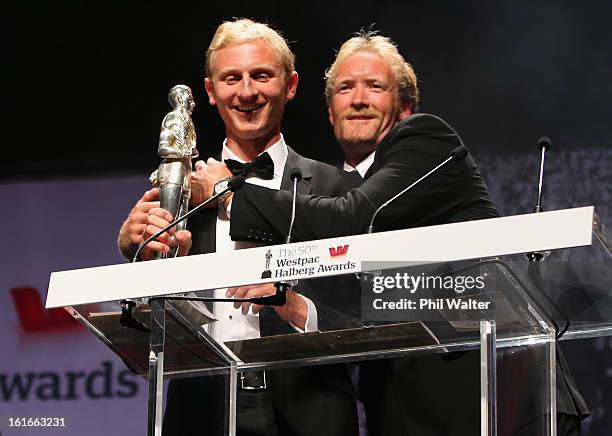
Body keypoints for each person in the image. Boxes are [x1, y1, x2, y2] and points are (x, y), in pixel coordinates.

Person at [192, 31, 588, 435]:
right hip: (401, 412)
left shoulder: (425, 141)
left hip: (496, 395)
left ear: (404, 107)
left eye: (375, 86)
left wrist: (232, 197)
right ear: (330, 112)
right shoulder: (333, 192)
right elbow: (351, 308)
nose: (358, 99)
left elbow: (356, 220)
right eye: (345, 88)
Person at [118, 19, 360, 436]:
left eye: (261, 75)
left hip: (310, 412)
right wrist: (138, 261)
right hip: (200, 412)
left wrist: (297, 307)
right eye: (232, 78)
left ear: (291, 85)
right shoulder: (180, 195)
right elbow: (147, 335)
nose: (246, 92)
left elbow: (370, 314)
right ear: (211, 92)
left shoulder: (339, 189)